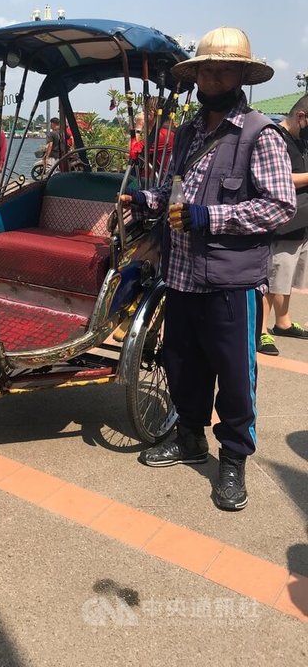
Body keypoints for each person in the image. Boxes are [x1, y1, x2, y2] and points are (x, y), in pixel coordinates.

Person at [120, 27, 296, 511]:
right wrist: (147, 198)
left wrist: (210, 217)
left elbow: (279, 206)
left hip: (230, 282)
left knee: (236, 378)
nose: (213, 76)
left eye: (223, 69)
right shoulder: (187, 134)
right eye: (206, 68)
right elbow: (178, 194)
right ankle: (190, 436)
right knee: (182, 365)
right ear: (196, 75)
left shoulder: (260, 134)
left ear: (242, 75)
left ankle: (234, 461)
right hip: (180, 277)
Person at [258, 96, 308, 355]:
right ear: (301, 116)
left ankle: (283, 322)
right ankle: (261, 331)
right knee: (272, 278)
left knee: (286, 277)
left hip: (301, 223)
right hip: (283, 222)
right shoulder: (276, 138)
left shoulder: (301, 140)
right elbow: (278, 178)